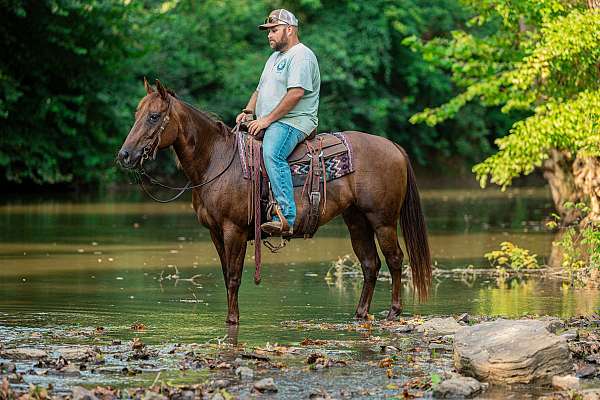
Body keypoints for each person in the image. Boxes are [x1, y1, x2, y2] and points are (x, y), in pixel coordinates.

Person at [236, 9, 320, 236]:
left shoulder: (301, 55)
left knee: (272, 152)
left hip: (295, 121)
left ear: (290, 30)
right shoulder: (274, 57)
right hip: (273, 120)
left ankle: (285, 216)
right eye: (268, 31)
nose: (269, 35)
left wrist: (265, 121)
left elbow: (295, 94)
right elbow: (259, 89)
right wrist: (248, 111)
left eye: (274, 30)